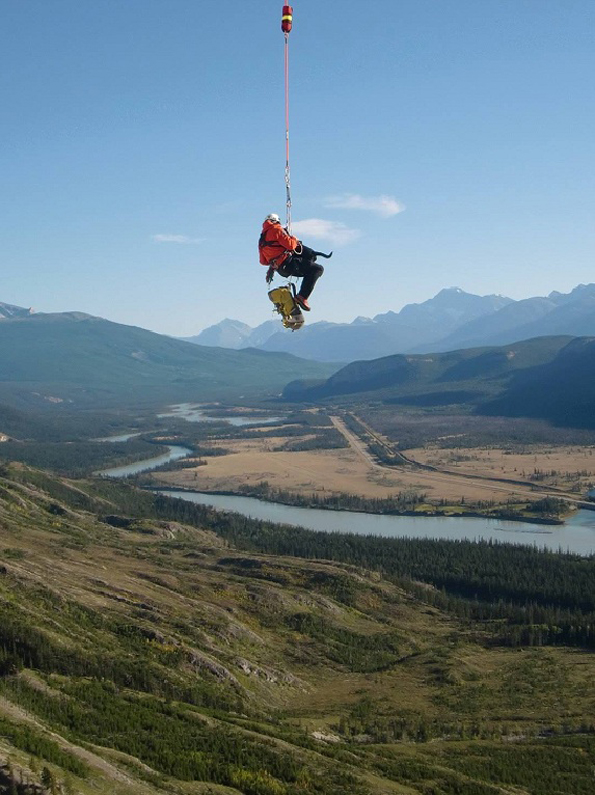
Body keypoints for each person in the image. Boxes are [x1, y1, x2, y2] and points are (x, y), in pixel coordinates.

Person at [258, 213, 323, 311]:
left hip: (281, 269)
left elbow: (263, 261)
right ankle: (302, 296)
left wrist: (274, 255)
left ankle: (301, 295)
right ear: (276, 221)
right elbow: (291, 245)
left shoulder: (262, 238)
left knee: (310, 263)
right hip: (289, 264)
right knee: (318, 269)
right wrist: (294, 239)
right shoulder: (277, 229)